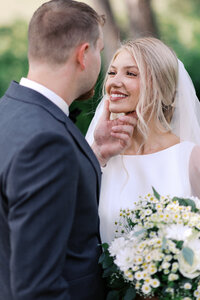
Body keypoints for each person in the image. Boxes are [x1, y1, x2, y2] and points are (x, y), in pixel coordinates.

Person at [0, 1, 136, 299]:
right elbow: (38, 288)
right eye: (101, 53)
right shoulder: (47, 141)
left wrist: (96, 152)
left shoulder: (8, 113)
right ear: (83, 54)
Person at [86, 37, 200, 245]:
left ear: (160, 85)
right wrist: (98, 154)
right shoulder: (99, 155)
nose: (114, 82)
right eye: (112, 72)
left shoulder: (191, 158)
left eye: (131, 73)